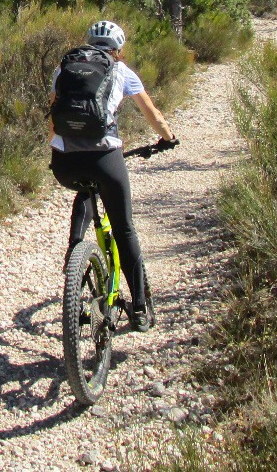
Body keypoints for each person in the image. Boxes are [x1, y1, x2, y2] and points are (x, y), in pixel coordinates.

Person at [50, 20, 177, 333]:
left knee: (84, 192)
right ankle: (139, 309)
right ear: (118, 48)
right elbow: (154, 116)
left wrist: (62, 150)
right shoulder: (122, 71)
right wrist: (168, 137)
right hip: (105, 158)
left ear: (88, 42)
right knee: (124, 230)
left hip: (65, 162)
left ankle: (74, 260)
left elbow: (53, 121)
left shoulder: (63, 70)